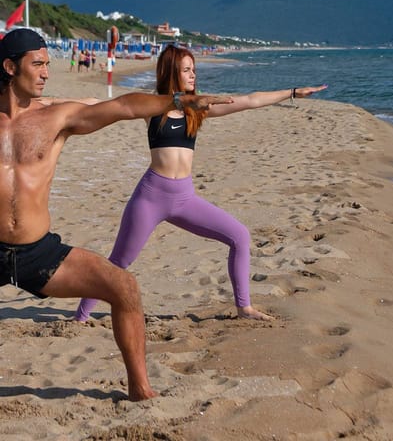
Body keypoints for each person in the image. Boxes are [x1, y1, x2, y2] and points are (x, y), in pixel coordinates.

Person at [0, 28, 230, 401]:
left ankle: (140, 391)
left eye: (47, 64)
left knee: (125, 288)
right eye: (37, 64)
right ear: (10, 67)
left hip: (37, 253)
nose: (46, 72)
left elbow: (123, 107)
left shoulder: (57, 118)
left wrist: (176, 99)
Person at [75, 44, 327, 323]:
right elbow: (105, 105)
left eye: (194, 69)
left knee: (240, 237)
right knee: (120, 261)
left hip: (185, 199)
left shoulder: (199, 108)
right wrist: (52, 107)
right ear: (172, 73)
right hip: (151, 197)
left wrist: (292, 93)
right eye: (186, 70)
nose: (193, 75)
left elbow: (251, 100)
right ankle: (81, 317)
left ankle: (244, 308)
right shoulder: (153, 108)